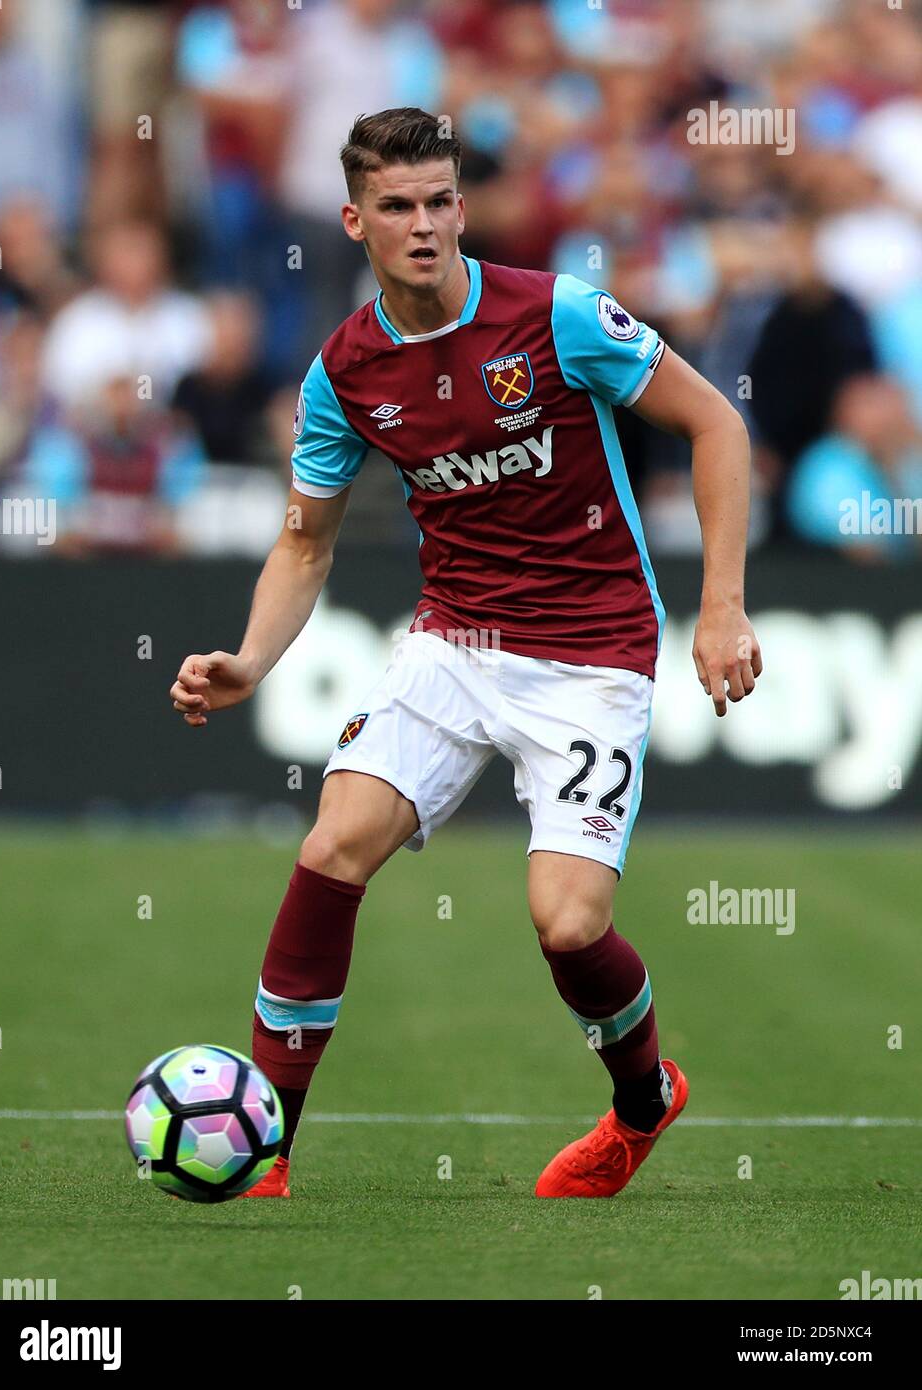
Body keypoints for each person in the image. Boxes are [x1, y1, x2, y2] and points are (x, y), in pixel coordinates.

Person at [170, 108, 763, 1200]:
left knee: (567, 923)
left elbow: (716, 425)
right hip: (452, 639)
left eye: (441, 200)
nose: (426, 224)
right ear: (354, 221)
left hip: (591, 652)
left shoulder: (559, 316)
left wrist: (719, 605)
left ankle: (643, 1101)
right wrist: (251, 659)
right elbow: (304, 541)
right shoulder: (342, 372)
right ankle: (266, 1147)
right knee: (332, 844)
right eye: (398, 206)